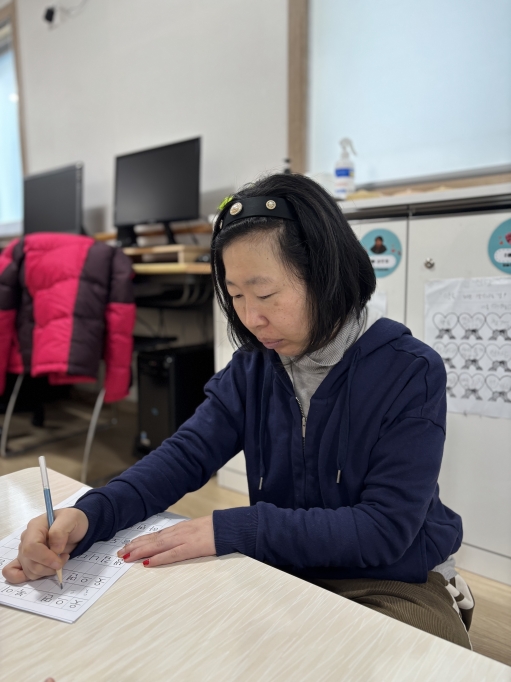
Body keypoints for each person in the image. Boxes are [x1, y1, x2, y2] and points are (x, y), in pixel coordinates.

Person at [3, 174, 474, 648]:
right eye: (235, 295)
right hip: (286, 562)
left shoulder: (410, 371)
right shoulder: (253, 368)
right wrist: (88, 515)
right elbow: (183, 457)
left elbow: (383, 530)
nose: (251, 318)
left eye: (265, 295)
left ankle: (453, 599)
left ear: (327, 274)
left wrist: (235, 527)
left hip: (391, 575)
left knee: (409, 657)